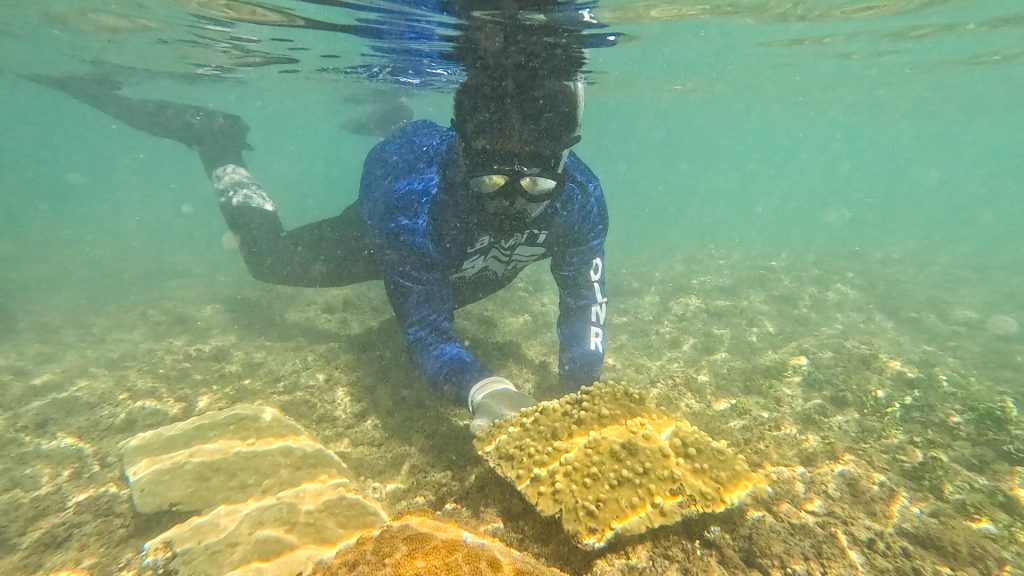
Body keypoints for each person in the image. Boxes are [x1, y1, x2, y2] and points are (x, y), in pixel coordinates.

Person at [27, 70, 608, 434]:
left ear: (563, 159)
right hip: (380, 225)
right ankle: (217, 142)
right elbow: (427, 332)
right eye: (490, 184)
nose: (511, 203)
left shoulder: (581, 199)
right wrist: (483, 388)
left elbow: (583, 298)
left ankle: (390, 112)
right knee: (268, 261)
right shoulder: (413, 204)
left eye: (533, 186)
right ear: (465, 159)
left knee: (457, 274)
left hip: (450, 243)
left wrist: (582, 395)